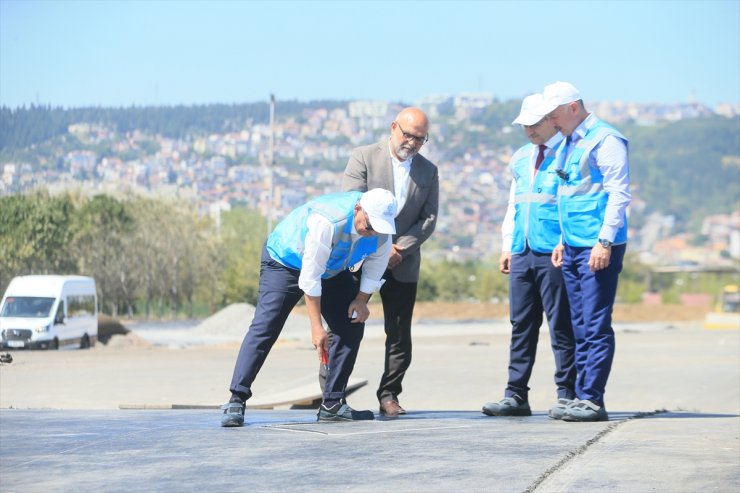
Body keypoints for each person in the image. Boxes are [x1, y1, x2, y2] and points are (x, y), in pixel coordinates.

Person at [220, 188, 398, 427]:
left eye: (378, 227)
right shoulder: (328, 221)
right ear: (358, 210)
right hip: (285, 262)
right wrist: (317, 328)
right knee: (267, 325)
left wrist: (360, 300)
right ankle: (237, 399)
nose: (373, 232)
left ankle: (332, 404)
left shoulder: (382, 233)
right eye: (369, 225)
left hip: (332, 269)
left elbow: (376, 267)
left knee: (351, 325)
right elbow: (310, 277)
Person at [482, 94, 576, 419]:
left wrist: (568, 241)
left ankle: (568, 395)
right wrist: (507, 245)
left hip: (554, 252)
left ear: (551, 120)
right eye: (525, 125)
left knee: (561, 324)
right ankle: (515, 395)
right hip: (522, 250)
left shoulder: (569, 154)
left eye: (534, 124)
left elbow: (571, 204)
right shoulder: (520, 158)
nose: (529, 131)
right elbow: (515, 202)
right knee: (521, 324)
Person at [541, 81, 631, 422]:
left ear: (573, 108)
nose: (552, 122)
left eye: (554, 115)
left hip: (598, 247)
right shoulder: (568, 142)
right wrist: (563, 239)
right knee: (578, 323)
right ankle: (580, 395)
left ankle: (593, 399)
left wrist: (605, 241)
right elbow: (570, 194)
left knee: (594, 324)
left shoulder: (605, 140)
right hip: (574, 245)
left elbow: (618, 194)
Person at [341, 107, 439, 417]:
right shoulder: (364, 157)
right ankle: (334, 395)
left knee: (398, 333)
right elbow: (352, 201)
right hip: (360, 257)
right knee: (345, 325)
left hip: (402, 262)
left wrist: (399, 249)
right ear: (394, 127)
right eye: (408, 134)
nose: (411, 142)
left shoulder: (428, 171)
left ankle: (389, 394)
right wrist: (379, 246)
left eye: (420, 139)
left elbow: (429, 219)